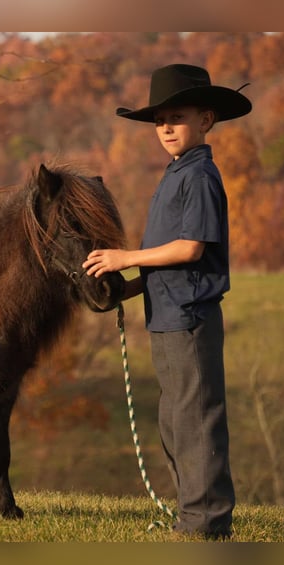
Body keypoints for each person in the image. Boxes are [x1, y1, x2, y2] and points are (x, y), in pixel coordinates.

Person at [83, 64, 252, 539]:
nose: (166, 128)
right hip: (167, 315)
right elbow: (168, 262)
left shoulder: (199, 176)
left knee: (196, 422)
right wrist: (129, 287)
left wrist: (124, 258)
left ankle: (206, 526)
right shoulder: (177, 173)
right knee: (176, 422)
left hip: (190, 317)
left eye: (176, 118)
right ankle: (192, 516)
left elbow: (190, 249)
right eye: (160, 121)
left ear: (206, 120)